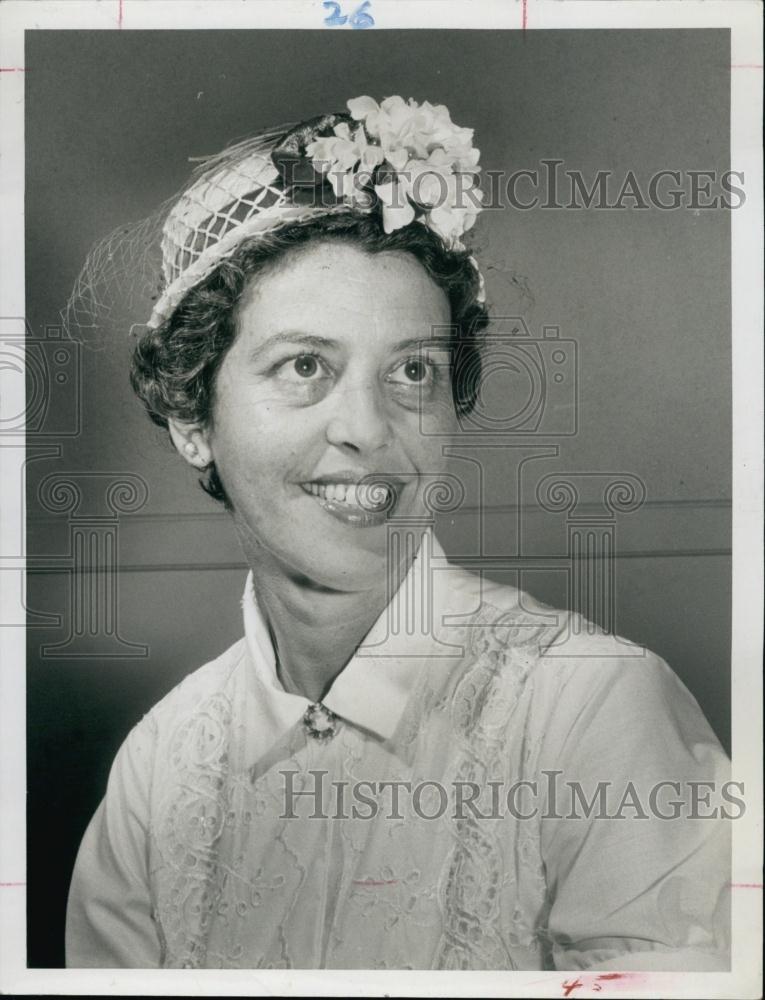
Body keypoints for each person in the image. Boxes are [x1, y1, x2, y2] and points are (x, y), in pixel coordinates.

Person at [65, 96, 731, 971]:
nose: (369, 431)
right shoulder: (160, 767)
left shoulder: (594, 711)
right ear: (194, 413)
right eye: (305, 366)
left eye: (412, 370)